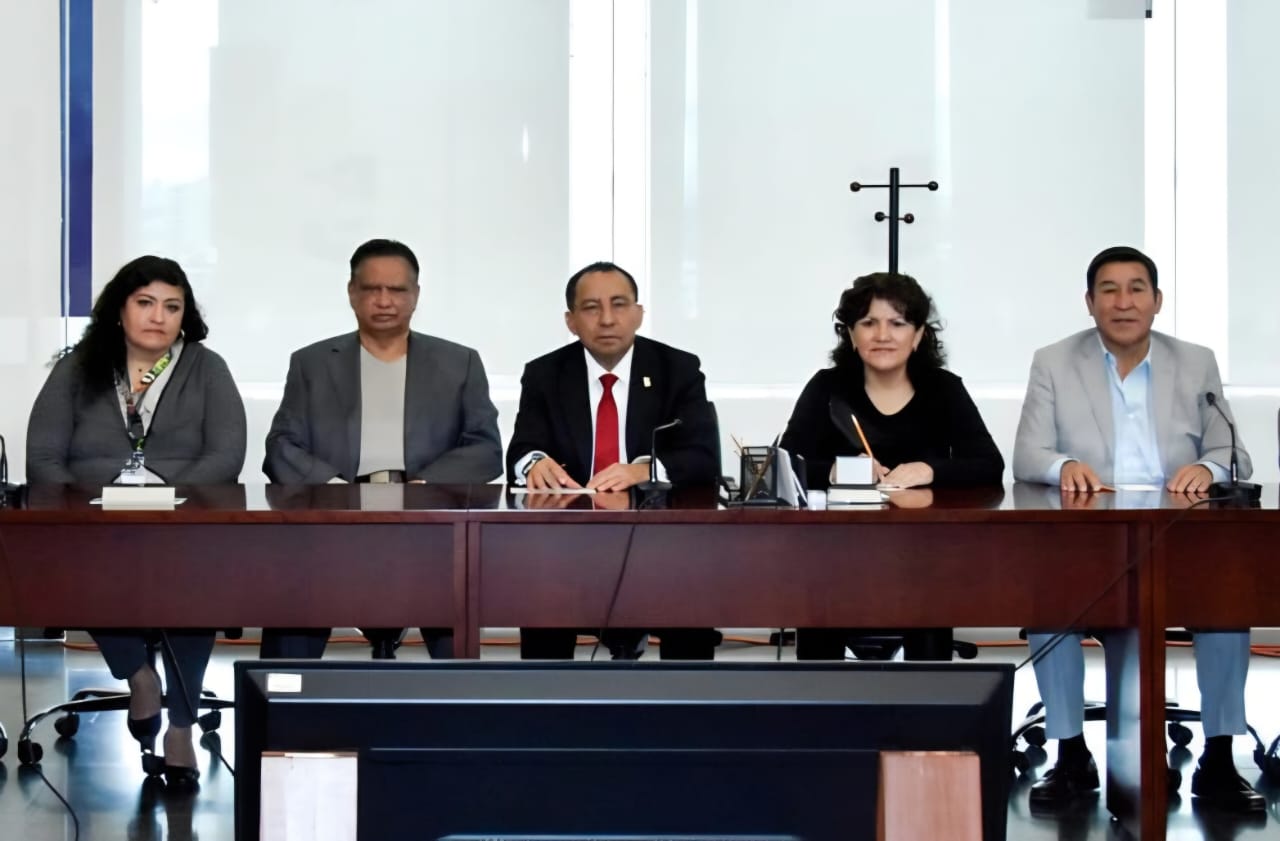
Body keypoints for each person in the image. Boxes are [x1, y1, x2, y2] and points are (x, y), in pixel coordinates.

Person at [1013, 245, 1262, 813]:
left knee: (1226, 608)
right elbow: (1027, 454)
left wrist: (1209, 468)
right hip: (1091, 540)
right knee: (1051, 609)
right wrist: (1062, 466)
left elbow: (1232, 452)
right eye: (1109, 290)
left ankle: (1220, 759)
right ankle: (1070, 754)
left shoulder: (1194, 362)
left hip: (1179, 538)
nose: (1123, 302)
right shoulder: (1054, 361)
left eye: (1136, 289)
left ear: (1157, 300)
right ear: (1089, 302)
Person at [26, 255, 247, 789]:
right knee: (92, 569)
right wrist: (89, 503)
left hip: (185, 523)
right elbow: (43, 455)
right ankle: (138, 676)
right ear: (119, 309)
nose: (158, 317)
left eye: (172, 306)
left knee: (194, 589)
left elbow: (226, 454)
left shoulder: (205, 368)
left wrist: (164, 493)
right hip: (95, 526)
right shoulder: (78, 368)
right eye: (145, 303)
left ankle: (181, 725)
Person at [261, 238, 502, 660]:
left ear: (416, 295)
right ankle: (283, 695)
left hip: (429, 520)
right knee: (293, 594)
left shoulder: (459, 361)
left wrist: (424, 488)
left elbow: (485, 448)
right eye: (372, 289)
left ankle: (462, 697)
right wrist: (335, 491)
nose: (384, 300)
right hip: (334, 517)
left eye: (397, 289)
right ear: (352, 292)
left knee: (454, 608)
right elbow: (281, 445)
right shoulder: (312, 363)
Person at [779, 272, 1003, 661]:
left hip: (924, 555)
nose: (882, 335)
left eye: (897, 323)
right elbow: (785, 467)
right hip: (835, 555)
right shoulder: (827, 388)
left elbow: (988, 465)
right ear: (851, 335)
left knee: (930, 598)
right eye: (868, 323)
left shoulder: (944, 389)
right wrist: (835, 471)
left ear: (918, 336)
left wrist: (930, 470)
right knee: (818, 592)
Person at [506, 261, 720, 660]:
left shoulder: (678, 369)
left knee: (691, 578)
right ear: (571, 321)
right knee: (538, 580)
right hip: (569, 539)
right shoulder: (545, 374)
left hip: (658, 538)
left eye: (619, 305)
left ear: (638, 313)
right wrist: (535, 463)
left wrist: (642, 470)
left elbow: (703, 456)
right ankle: (544, 696)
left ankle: (689, 696)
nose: (607, 319)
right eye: (591, 308)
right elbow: (521, 450)